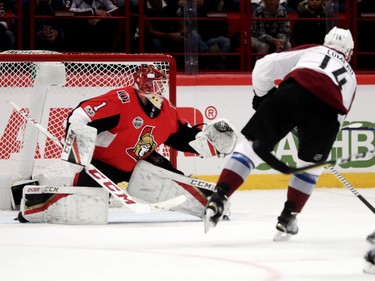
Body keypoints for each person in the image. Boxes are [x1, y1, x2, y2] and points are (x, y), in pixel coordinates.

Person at [16, 64, 237, 223]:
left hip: (140, 161)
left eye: (159, 86)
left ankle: (211, 204)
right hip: (100, 165)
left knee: (174, 180)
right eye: (152, 86)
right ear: (140, 87)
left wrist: (207, 143)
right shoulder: (120, 100)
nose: (157, 91)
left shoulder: (168, 111)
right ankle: (34, 203)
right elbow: (81, 114)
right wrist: (78, 143)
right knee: (88, 202)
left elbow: (182, 136)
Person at [204, 27, 357, 240]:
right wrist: (319, 148)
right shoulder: (352, 77)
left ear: (326, 42)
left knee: (252, 147)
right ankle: (288, 217)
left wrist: (263, 96)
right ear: (349, 52)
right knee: (309, 167)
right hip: (328, 111)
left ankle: (219, 197)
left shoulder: (313, 50)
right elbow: (339, 117)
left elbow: (264, 65)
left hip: (293, 91)